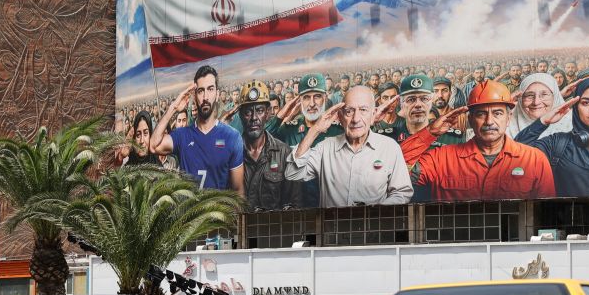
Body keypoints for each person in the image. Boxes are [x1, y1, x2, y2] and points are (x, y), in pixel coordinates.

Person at [402, 79, 555, 202]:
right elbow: (396, 171)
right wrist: (430, 132)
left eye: (497, 113)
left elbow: (546, 212)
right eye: (481, 114)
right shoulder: (440, 159)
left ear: (508, 118)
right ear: (471, 119)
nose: (489, 121)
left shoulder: (534, 159)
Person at [285, 86, 413, 207]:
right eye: (349, 111)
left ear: (373, 114)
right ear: (340, 116)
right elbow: (293, 173)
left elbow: (402, 192)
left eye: (363, 110)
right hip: (332, 229)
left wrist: (375, 214)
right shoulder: (325, 148)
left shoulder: (389, 147)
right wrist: (316, 129)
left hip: (374, 228)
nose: (356, 119)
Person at [149, 64, 245, 195]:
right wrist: (173, 108)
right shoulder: (182, 135)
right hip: (189, 214)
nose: (205, 97)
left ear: (217, 94)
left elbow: (238, 190)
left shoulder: (232, 137)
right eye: (200, 91)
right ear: (195, 96)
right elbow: (154, 146)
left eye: (210, 89)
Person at [238, 80, 302, 211]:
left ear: (267, 113)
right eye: (248, 112)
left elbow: (294, 205)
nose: (254, 118)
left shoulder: (284, 153)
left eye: (260, 110)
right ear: (241, 115)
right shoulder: (232, 153)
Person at [380, 74, 464, 146]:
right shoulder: (385, 138)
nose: (418, 105)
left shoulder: (453, 138)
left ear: (431, 102)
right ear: (401, 103)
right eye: (411, 99)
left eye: (424, 99)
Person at [509, 73, 571, 138]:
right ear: (520, 99)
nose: (536, 102)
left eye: (544, 95)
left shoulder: (571, 123)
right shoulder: (506, 125)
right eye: (529, 95)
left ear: (555, 97)